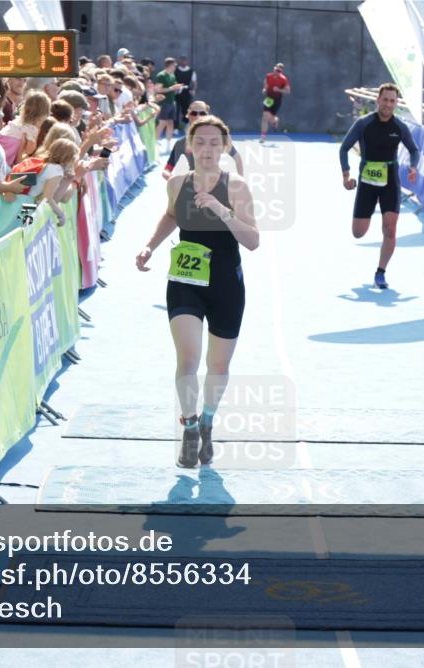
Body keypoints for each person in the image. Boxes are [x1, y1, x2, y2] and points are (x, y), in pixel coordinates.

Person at [135, 116, 259, 468]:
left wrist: (222, 211)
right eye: (200, 142)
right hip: (186, 280)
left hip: (226, 283)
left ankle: (207, 421)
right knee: (188, 358)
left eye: (214, 143)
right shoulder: (176, 183)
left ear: (224, 147)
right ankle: (189, 427)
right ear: (189, 145)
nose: (206, 149)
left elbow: (252, 241)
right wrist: (149, 247)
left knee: (218, 364)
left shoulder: (236, 187)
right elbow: (172, 215)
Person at [339, 82, 419, 290]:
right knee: (358, 232)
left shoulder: (399, 127)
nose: (388, 105)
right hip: (367, 182)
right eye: (385, 100)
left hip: (390, 182)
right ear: (378, 100)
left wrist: (413, 167)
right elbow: (344, 148)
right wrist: (346, 174)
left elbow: (414, 150)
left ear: (396, 103)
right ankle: (367, 218)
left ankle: (380, 272)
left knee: (390, 229)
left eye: (392, 101)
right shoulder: (363, 123)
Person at [163, 101, 243, 180]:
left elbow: (237, 158)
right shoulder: (181, 143)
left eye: (202, 113)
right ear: (188, 115)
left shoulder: (219, 138)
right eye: (194, 113)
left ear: (207, 115)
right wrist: (175, 181)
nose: (198, 116)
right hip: (195, 186)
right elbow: (166, 171)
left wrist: (241, 181)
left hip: (217, 184)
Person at [31, 138, 79, 227]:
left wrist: (67, 180)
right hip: (28, 206)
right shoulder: (57, 170)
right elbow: (47, 199)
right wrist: (61, 215)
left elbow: (54, 199)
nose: (73, 164)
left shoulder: (49, 165)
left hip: (27, 203)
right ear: (66, 159)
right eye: (73, 160)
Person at [0, 91, 51, 165]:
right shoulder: (31, 129)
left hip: (1, 144)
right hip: (8, 155)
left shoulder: (18, 121)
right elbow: (29, 151)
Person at [154, 58, 186, 152]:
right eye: (174, 65)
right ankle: (155, 143)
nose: (175, 67)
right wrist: (171, 88)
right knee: (162, 123)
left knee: (170, 123)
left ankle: (168, 145)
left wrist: (178, 88)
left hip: (172, 102)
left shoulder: (172, 75)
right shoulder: (161, 75)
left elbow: (173, 87)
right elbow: (158, 90)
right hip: (163, 103)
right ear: (170, 65)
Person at [260, 63, 291, 143]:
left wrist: (279, 90)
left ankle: (275, 121)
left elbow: (288, 91)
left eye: (278, 71)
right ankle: (263, 137)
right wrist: (264, 89)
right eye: (275, 69)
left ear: (280, 72)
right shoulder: (268, 76)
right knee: (264, 117)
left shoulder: (283, 79)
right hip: (269, 99)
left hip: (277, 100)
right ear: (274, 69)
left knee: (271, 118)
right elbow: (266, 84)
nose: (276, 71)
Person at [174, 55, 197, 129]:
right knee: (176, 110)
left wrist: (194, 90)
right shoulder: (175, 70)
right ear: (180, 61)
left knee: (186, 109)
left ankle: (186, 124)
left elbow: (195, 82)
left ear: (187, 61)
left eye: (185, 60)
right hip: (176, 92)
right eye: (182, 60)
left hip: (186, 92)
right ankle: (176, 127)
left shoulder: (191, 71)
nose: (183, 62)